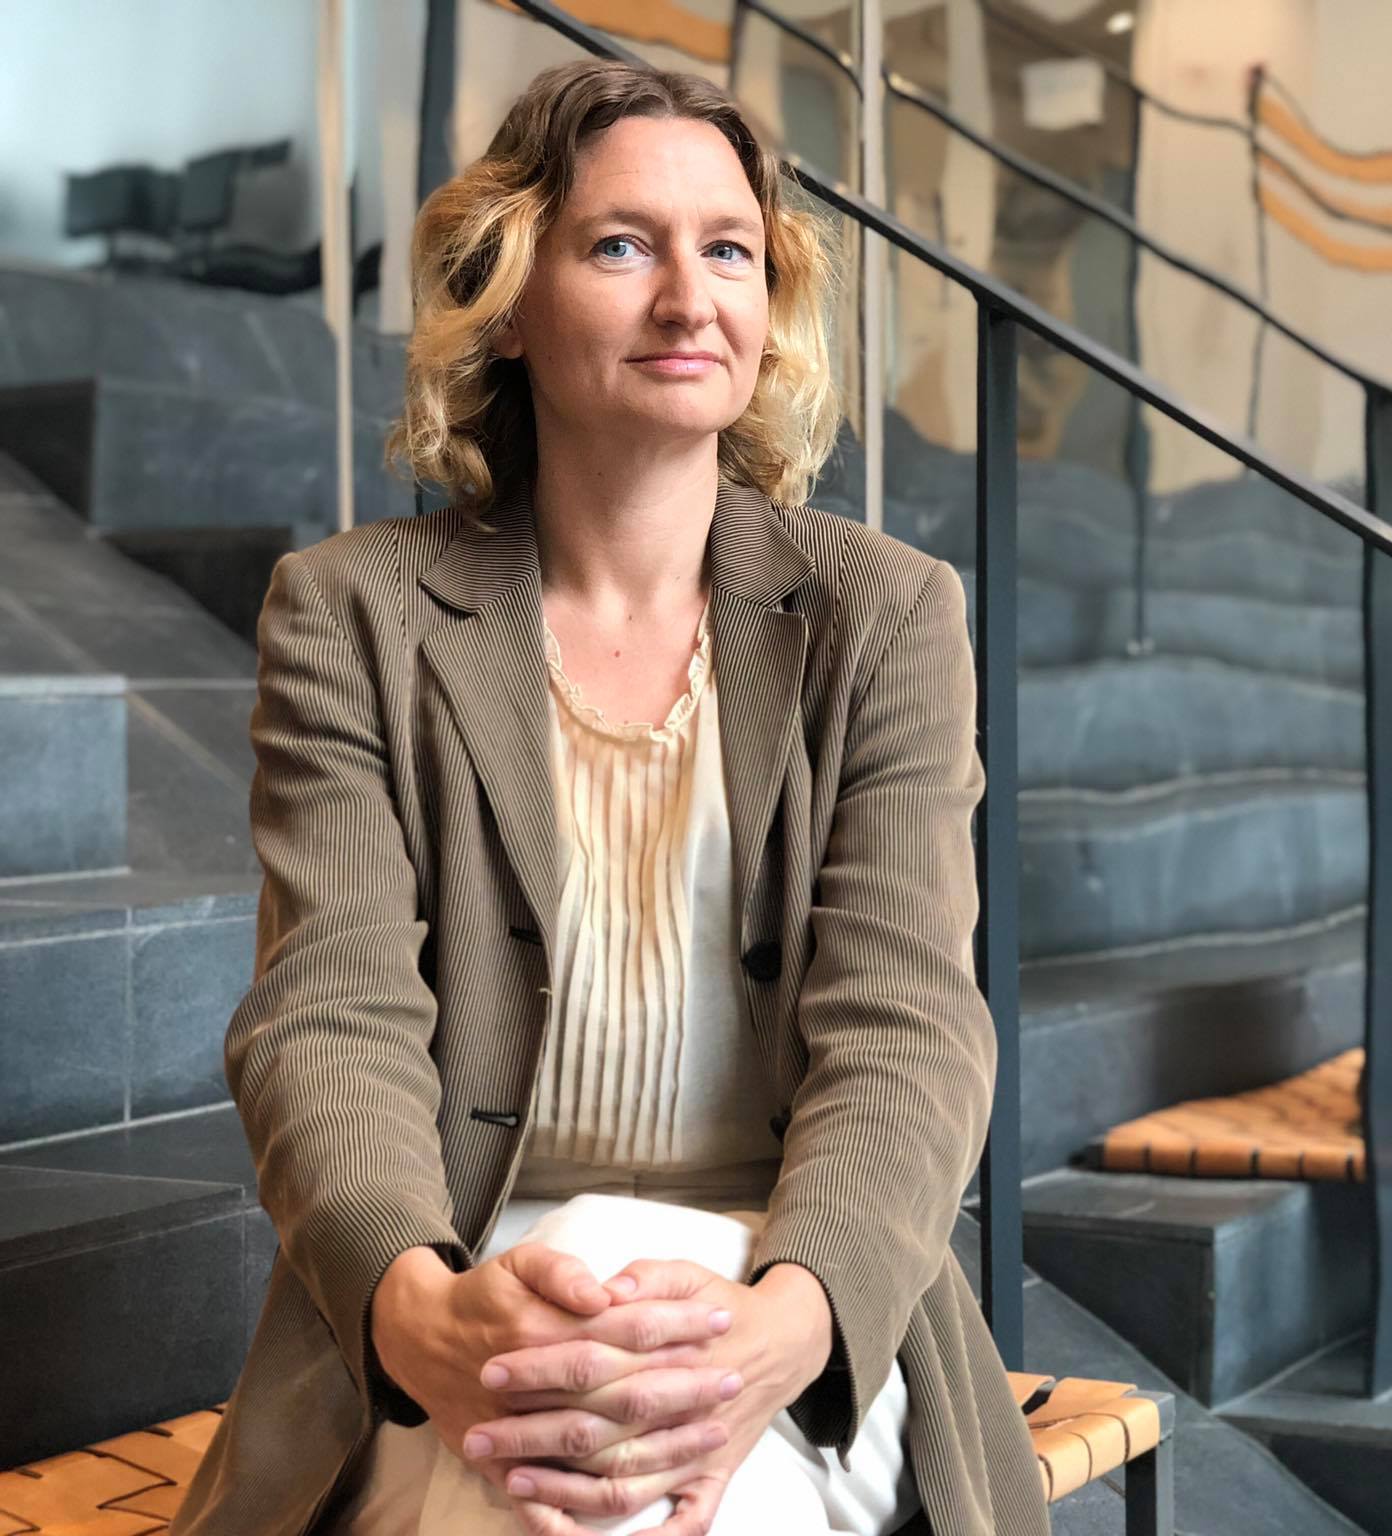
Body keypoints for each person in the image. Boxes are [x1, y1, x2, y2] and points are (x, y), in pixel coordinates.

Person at [170, 60, 1044, 1536]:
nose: (690, 300)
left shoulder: (888, 616)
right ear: (510, 294)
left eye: (729, 251)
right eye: (622, 245)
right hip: (472, 1283)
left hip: (791, 1282)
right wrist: (416, 1314)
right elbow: (327, 1014)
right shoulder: (349, 614)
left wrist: (785, 1327)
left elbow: (910, 1025)